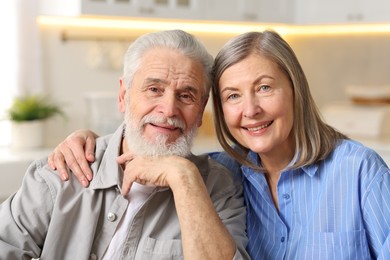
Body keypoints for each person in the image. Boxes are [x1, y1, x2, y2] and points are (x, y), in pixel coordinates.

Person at [49, 30, 390, 259]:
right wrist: (90, 141)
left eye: (265, 87)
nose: (251, 109)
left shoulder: (359, 170)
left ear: (296, 90)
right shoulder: (220, 177)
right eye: (232, 96)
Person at [0, 30, 249, 259]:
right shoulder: (62, 171)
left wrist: (183, 178)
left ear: (201, 110)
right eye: (154, 89)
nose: (169, 109)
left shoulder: (219, 189)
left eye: (186, 95)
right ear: (123, 96)